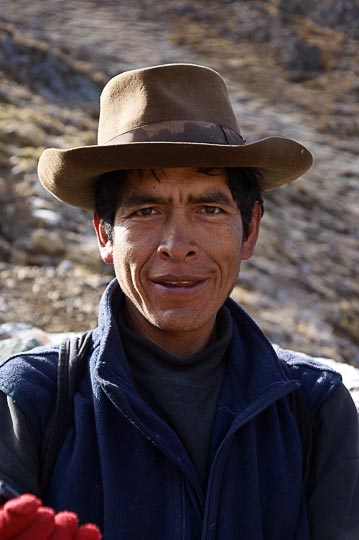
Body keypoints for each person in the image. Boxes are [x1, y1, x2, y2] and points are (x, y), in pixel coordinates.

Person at [0, 63, 358, 540]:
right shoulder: (31, 399)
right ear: (104, 234)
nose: (178, 243)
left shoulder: (316, 407)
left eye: (209, 209)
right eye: (146, 210)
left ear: (249, 229)